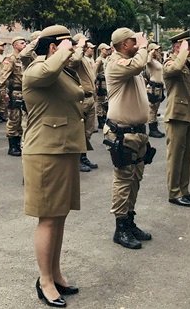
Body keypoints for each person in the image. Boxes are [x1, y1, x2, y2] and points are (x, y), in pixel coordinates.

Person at [21, 25, 84, 307]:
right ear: (52, 47)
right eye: (65, 44)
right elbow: (47, 73)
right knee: (47, 217)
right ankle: (44, 280)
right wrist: (64, 50)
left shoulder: (62, 70)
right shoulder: (36, 69)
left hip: (64, 149)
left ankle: (55, 272)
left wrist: (68, 52)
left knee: (59, 215)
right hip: (45, 151)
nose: (71, 49)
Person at [103, 27, 154, 249]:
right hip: (122, 133)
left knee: (135, 179)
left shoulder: (132, 63)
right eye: (135, 41)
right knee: (123, 180)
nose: (140, 43)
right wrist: (143, 47)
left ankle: (130, 220)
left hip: (137, 132)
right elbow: (138, 65)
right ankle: (120, 227)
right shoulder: (116, 63)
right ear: (125, 44)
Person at [163, 31, 190, 207]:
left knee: (186, 156)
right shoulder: (170, 63)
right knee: (176, 156)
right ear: (177, 46)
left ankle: (184, 190)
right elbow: (175, 69)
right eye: (186, 44)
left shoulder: (186, 65)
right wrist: (184, 51)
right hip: (176, 115)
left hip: (189, 115)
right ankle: (174, 192)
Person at [68, 33, 98, 172]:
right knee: (79, 131)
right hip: (82, 98)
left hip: (90, 97)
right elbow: (74, 62)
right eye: (84, 43)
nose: (86, 46)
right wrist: (79, 46)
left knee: (88, 130)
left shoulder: (85, 58)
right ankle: (77, 159)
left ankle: (83, 156)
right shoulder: (74, 56)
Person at [0, 36, 28, 156]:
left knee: (21, 119)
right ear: (15, 45)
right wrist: (3, 93)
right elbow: (3, 77)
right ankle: (12, 147)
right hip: (14, 93)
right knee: (14, 120)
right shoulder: (11, 59)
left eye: (25, 42)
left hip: (24, 92)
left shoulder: (24, 58)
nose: (25, 44)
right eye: (22, 43)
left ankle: (18, 145)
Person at [145, 43, 166, 138]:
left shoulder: (157, 61)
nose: (159, 52)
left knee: (155, 108)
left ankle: (155, 128)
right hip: (153, 87)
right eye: (157, 50)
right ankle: (152, 130)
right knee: (152, 109)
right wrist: (151, 52)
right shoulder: (151, 61)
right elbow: (148, 60)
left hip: (159, 87)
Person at [95, 43, 112, 129]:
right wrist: (96, 83)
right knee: (100, 101)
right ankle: (100, 118)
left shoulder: (106, 59)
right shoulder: (99, 60)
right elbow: (95, 71)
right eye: (106, 49)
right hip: (101, 82)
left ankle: (104, 117)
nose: (107, 51)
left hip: (106, 82)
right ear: (101, 50)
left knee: (105, 100)